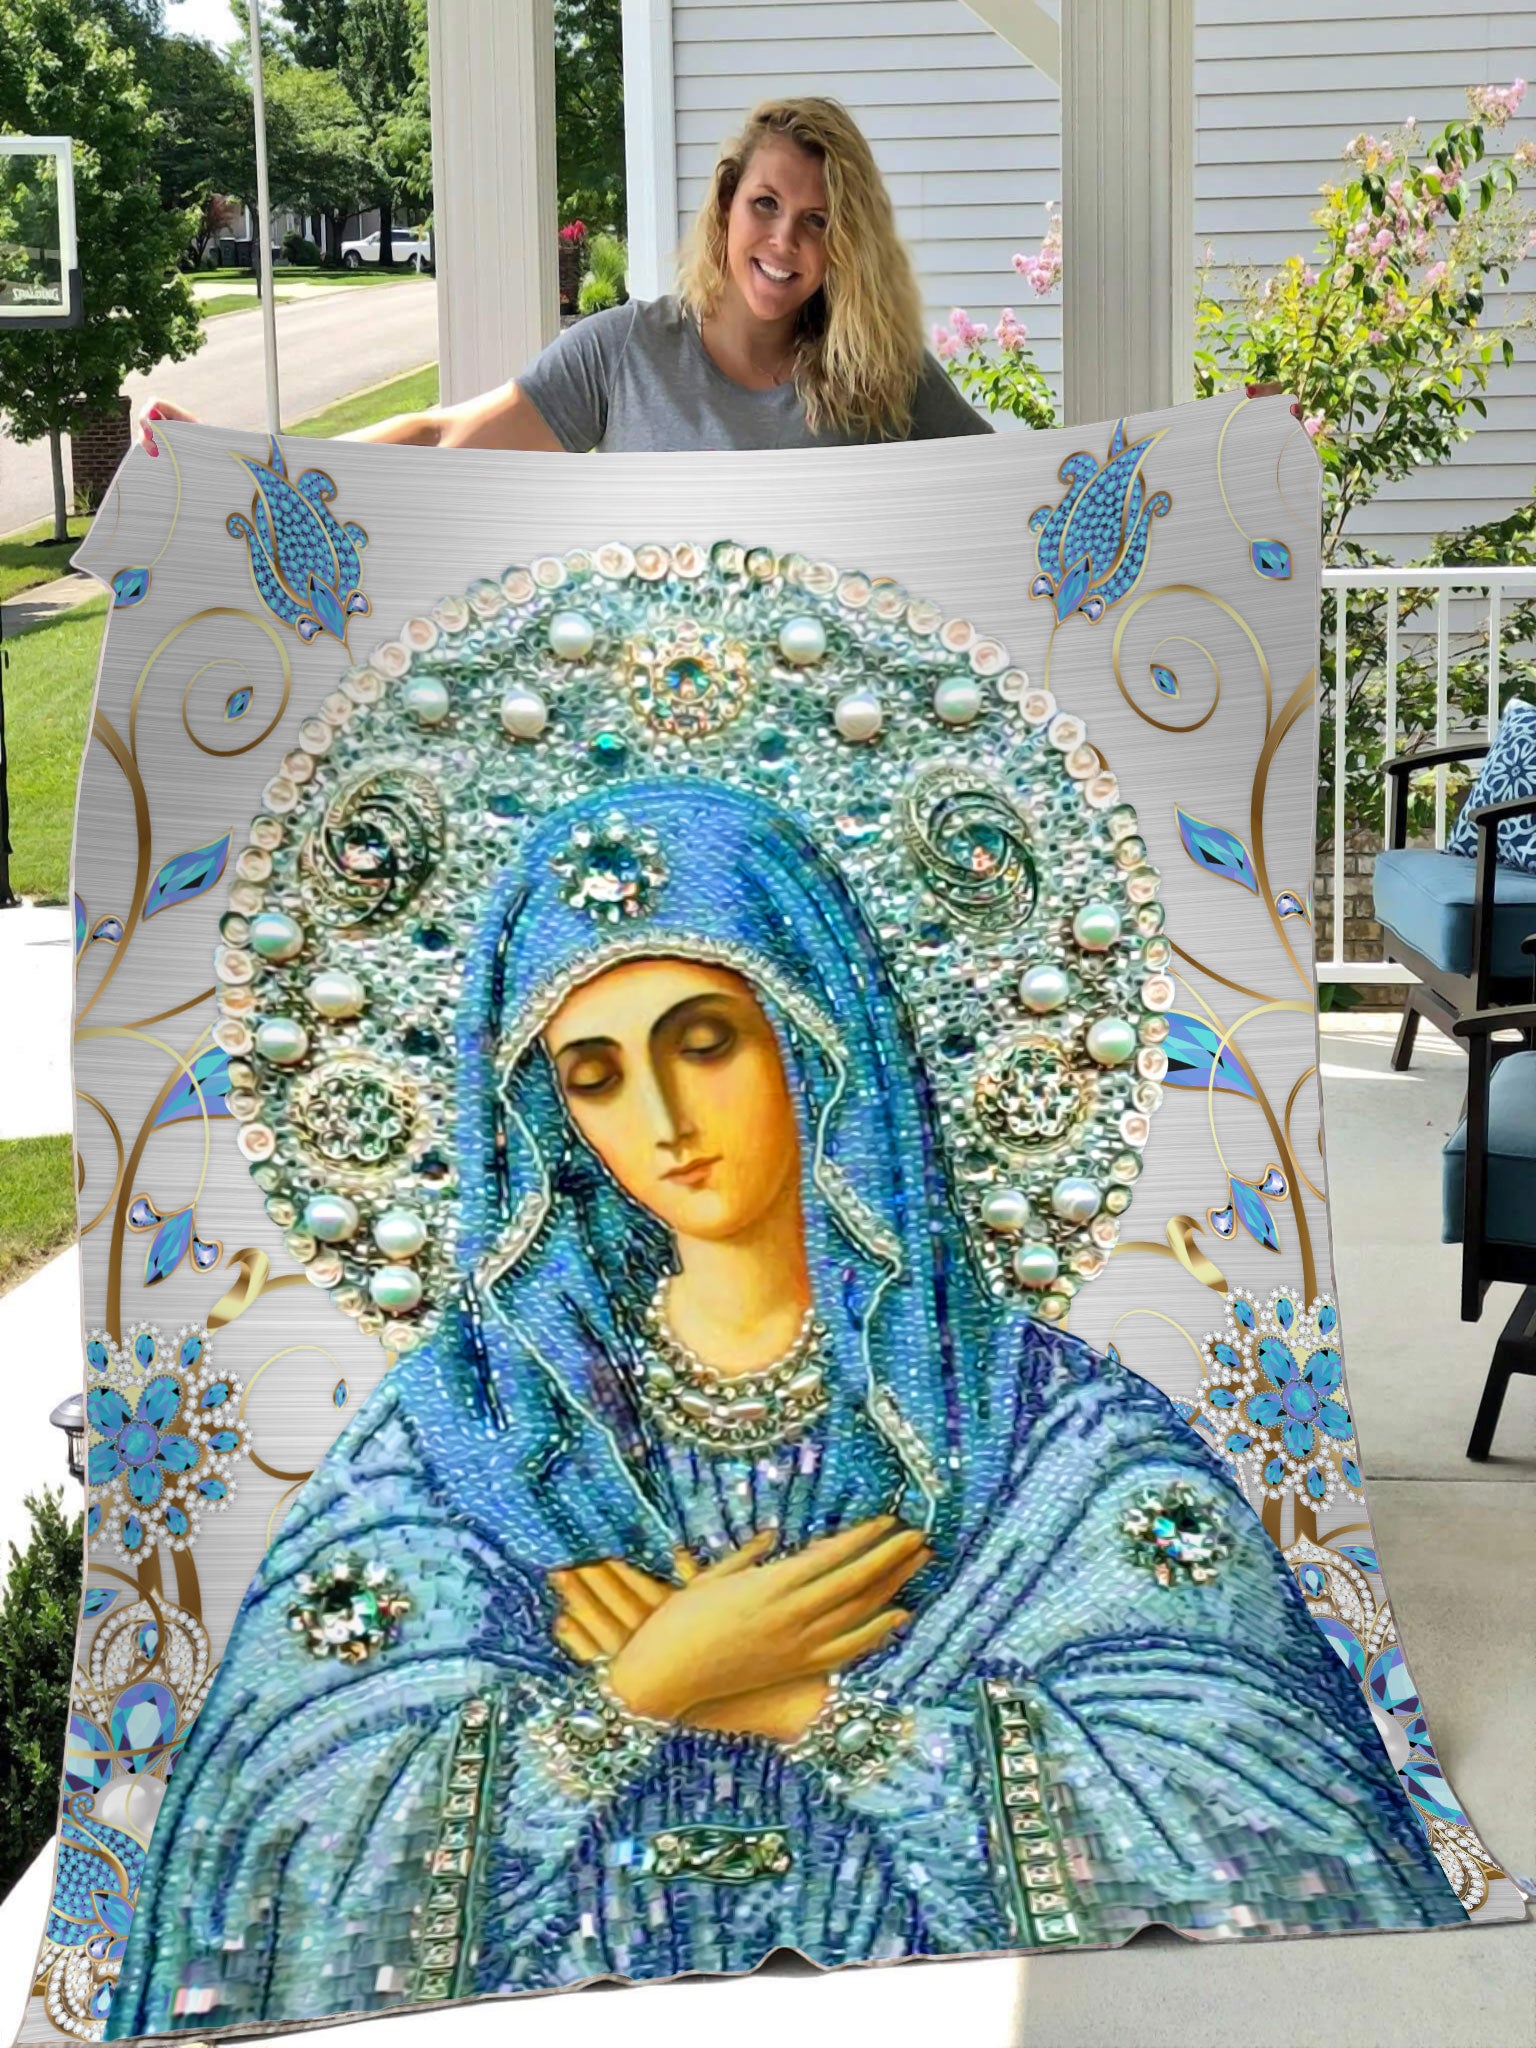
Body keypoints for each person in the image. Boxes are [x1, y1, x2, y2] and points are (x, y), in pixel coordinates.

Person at [109, 776, 1462, 2037]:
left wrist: (806, 1708)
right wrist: (634, 1695)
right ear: (541, 1118)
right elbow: (272, 1837)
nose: (661, 1118)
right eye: (593, 1075)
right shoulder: (474, 1430)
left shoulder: (1057, 1430)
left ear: (821, 1038)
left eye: (705, 1043)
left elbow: (1281, 1812)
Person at [138, 98, 992, 460]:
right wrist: (243, 464)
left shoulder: (882, 374)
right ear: (727, 205)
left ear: (846, 244)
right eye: (766, 204)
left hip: (825, 745)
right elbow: (441, 438)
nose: (783, 240)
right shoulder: (624, 353)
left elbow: (1011, 498)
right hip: (648, 737)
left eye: (817, 221)